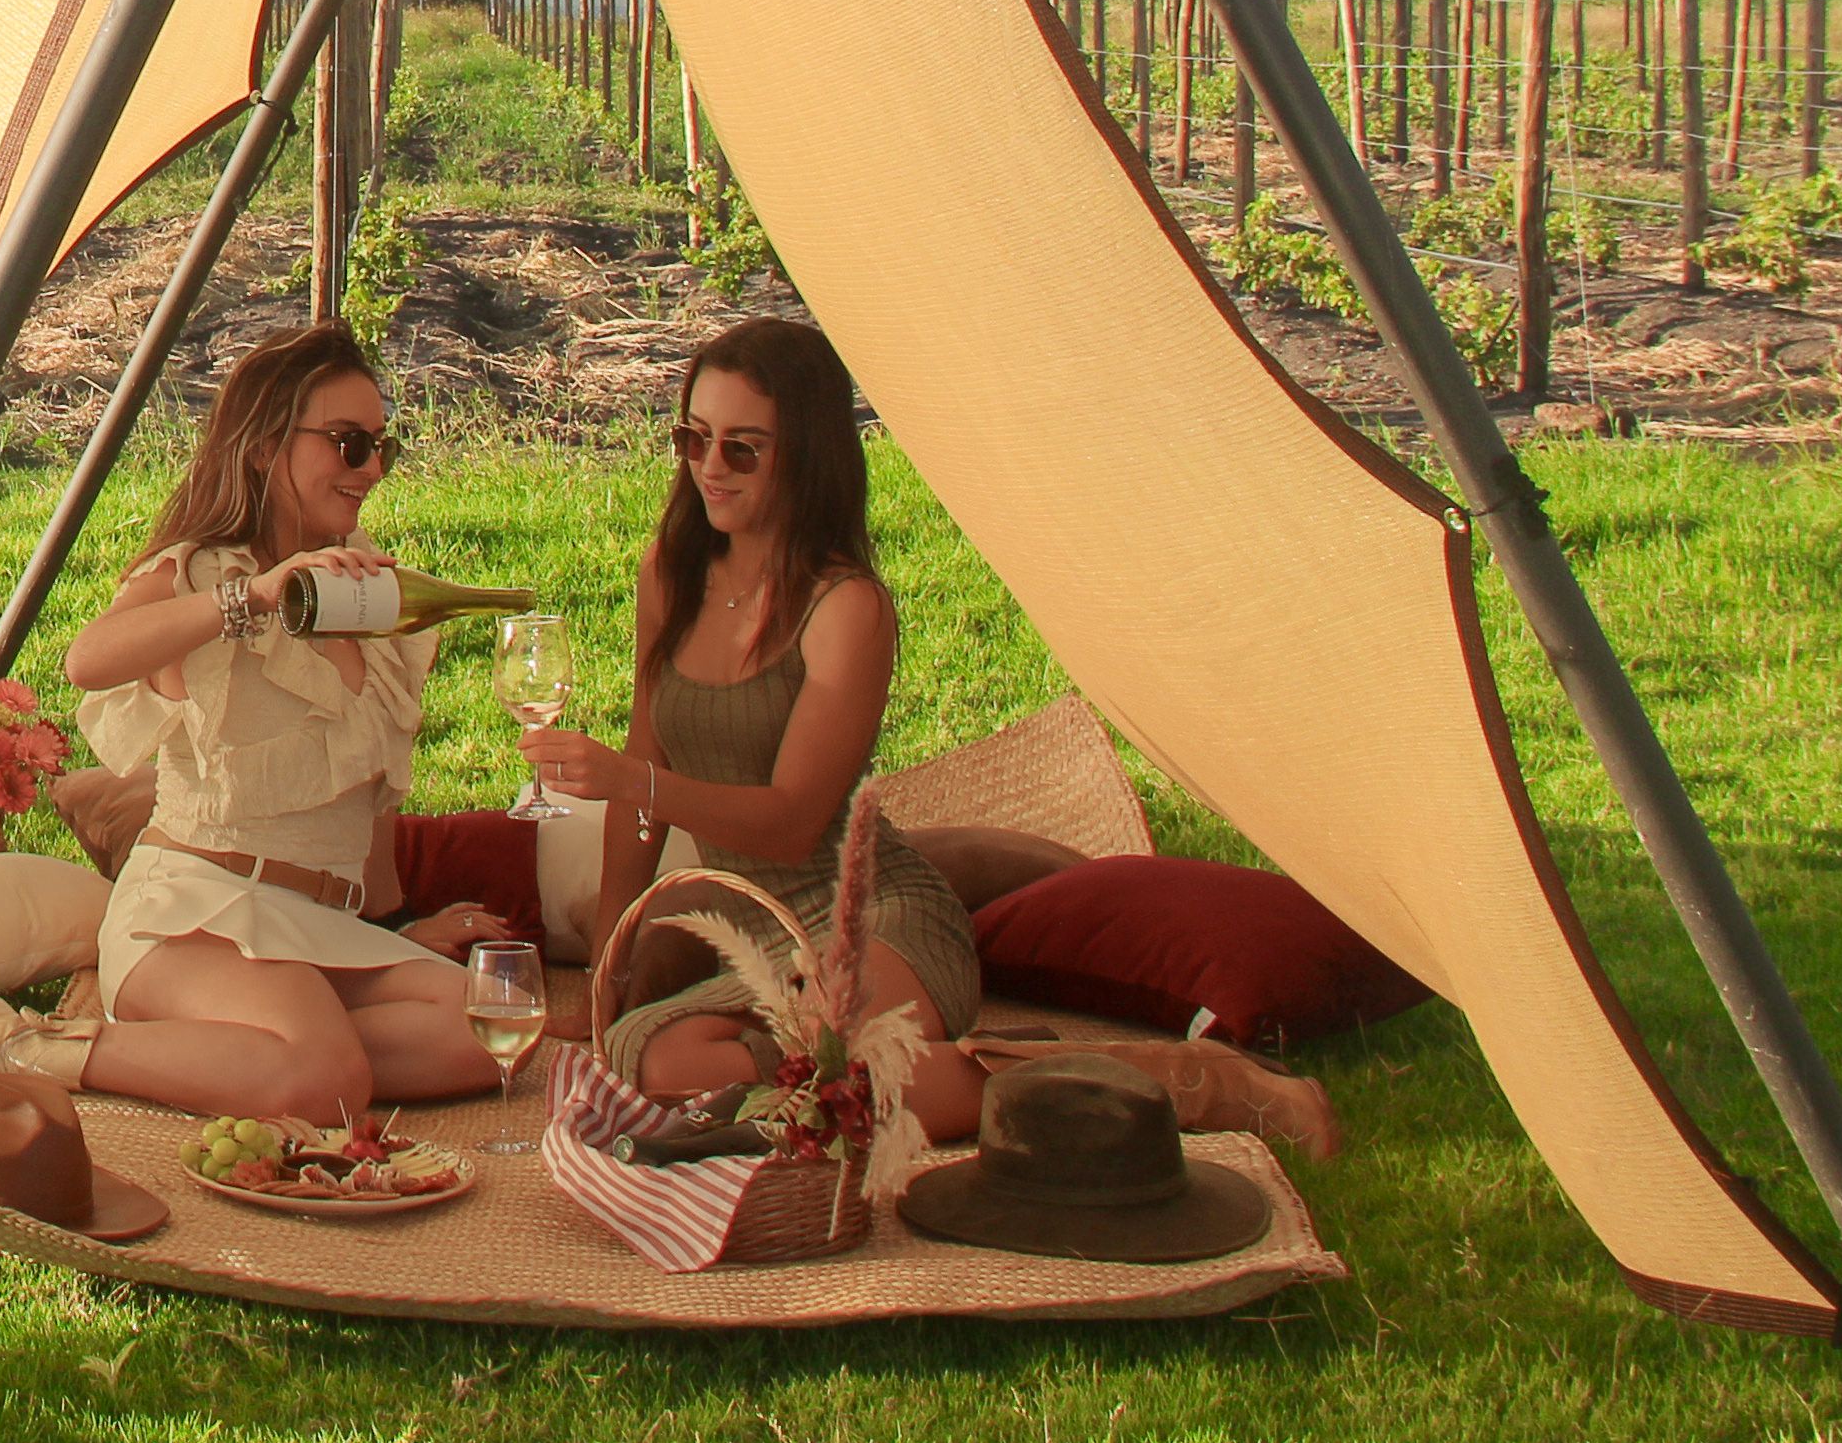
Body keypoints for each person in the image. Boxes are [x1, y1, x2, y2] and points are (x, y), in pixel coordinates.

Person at [520, 318, 1334, 1155]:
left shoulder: (845, 607)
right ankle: (963, 1070)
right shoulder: (672, 573)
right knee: (653, 1059)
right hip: (760, 934)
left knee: (834, 1083)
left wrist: (637, 784)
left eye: (742, 449)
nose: (709, 467)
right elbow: (645, 767)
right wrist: (608, 965)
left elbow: (792, 820)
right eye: (693, 438)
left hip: (876, 917)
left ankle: (1195, 1082)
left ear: (807, 455)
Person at [0, 322, 515, 1122]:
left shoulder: (367, 590)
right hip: (196, 916)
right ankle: (5, 1042)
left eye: (383, 447)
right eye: (350, 444)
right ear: (265, 446)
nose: (372, 469)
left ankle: (242, 1052)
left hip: (317, 929)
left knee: (488, 1030)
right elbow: (89, 660)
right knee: (326, 1081)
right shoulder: (206, 571)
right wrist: (256, 597)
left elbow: (363, 790)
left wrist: (395, 931)